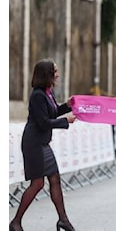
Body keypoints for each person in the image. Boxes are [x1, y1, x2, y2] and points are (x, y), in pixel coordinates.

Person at [9, 59, 77, 231]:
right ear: (47, 74)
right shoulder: (37, 95)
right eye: (55, 71)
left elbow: (52, 113)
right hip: (34, 144)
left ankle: (63, 220)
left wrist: (67, 106)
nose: (58, 75)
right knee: (37, 184)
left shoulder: (48, 92)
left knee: (55, 179)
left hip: (43, 144)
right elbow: (43, 122)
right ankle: (16, 222)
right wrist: (65, 121)